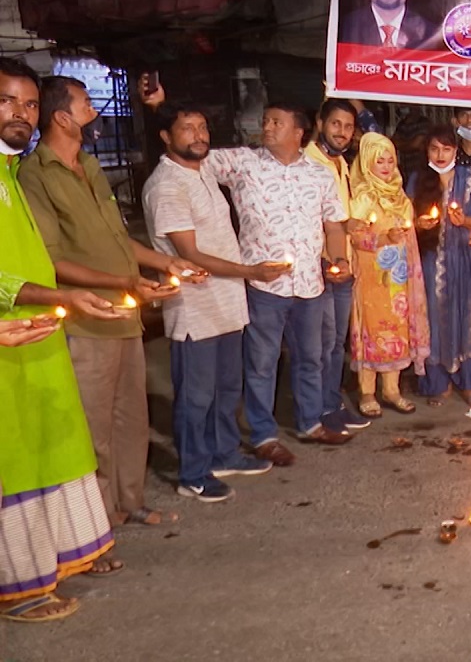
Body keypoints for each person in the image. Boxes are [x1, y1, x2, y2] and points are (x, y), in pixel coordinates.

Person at [20, 76, 202, 527]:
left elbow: (118, 238)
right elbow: (53, 260)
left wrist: (165, 262)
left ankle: (130, 501)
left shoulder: (89, 164)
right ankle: (98, 522)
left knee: (131, 418)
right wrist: (126, 280)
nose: (94, 111)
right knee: (94, 426)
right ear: (62, 118)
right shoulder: (35, 175)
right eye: (85, 103)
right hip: (87, 319)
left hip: (124, 312)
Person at [0, 57, 124, 622]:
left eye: (28, 104)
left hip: (35, 331)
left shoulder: (9, 173)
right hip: (11, 336)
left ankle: (51, 563)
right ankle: (19, 586)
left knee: (51, 445)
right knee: (15, 458)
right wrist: (59, 294)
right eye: (8, 101)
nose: (21, 114)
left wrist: (63, 298)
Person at [142, 101, 282, 502]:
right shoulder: (167, 186)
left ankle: (224, 453)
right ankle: (193, 473)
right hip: (195, 309)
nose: (199, 135)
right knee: (196, 396)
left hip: (225, 302)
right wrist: (250, 272)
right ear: (166, 137)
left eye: (202, 127)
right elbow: (191, 254)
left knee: (226, 388)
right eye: (187, 128)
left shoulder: (201, 170)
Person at [205, 102, 355, 458]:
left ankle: (311, 422)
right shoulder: (243, 163)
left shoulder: (319, 175)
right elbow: (190, 160)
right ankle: (263, 435)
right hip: (264, 285)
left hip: (309, 284)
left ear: (299, 132)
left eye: (276, 122)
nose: (268, 127)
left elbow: (334, 225)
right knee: (262, 363)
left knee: (311, 358)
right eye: (266, 121)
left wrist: (338, 259)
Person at [346, 133, 430, 417]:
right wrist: (382, 239)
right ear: (366, 163)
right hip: (371, 277)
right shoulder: (362, 197)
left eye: (389, 160)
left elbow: (407, 234)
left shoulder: (400, 195)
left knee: (397, 329)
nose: (385, 166)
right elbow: (354, 237)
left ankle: (392, 390)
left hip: (397, 278)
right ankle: (367, 391)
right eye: (378, 161)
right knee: (371, 330)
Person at [409, 126, 471, 406]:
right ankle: (438, 383)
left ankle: (470, 383)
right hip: (432, 259)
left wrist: (465, 221)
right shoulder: (418, 180)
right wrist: (419, 224)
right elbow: (403, 220)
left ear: (456, 150)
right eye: (434, 149)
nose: (440, 155)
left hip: (468, 258)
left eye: (446, 149)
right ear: (427, 151)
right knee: (434, 315)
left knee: (469, 316)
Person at [305, 98, 370, 434]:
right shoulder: (307, 162)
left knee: (335, 344)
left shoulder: (341, 163)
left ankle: (332, 403)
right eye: (336, 124)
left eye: (348, 126)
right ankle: (317, 410)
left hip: (344, 264)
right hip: (320, 265)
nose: (342, 132)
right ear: (320, 124)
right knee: (320, 343)